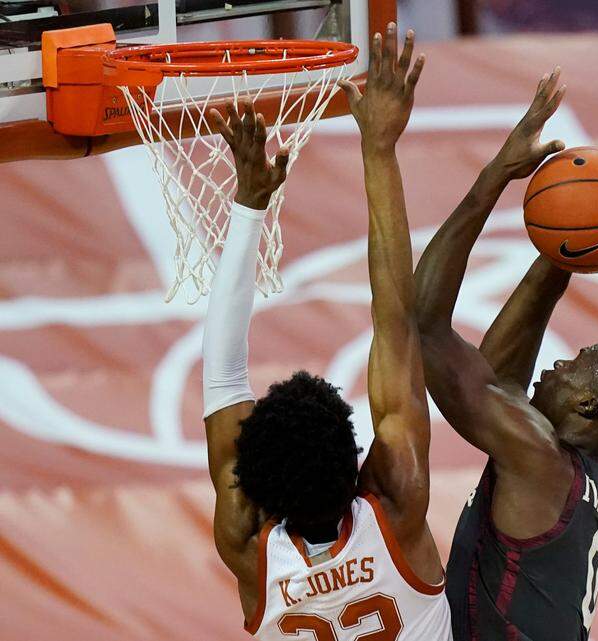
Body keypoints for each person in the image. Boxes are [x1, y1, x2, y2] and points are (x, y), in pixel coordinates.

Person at [413, 68, 598, 640]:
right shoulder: (597, 488)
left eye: (571, 367)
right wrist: (566, 249)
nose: (554, 366)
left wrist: (496, 176)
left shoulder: (539, 457)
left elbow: (425, 327)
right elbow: (499, 378)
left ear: (587, 407)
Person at [200, 24, 451, 640]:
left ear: (253, 482)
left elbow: (222, 377)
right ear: (357, 459)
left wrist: (248, 206)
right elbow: (395, 320)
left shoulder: (248, 547)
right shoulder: (397, 500)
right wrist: (380, 150)